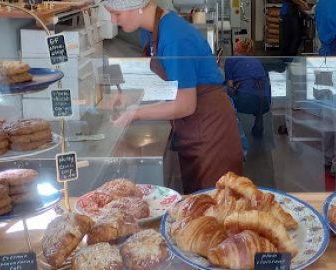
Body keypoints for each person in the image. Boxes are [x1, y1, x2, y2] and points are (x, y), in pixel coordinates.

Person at [104, 0, 243, 193]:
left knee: (216, 207)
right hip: (195, 128)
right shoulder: (152, 29)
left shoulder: (173, 37)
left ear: (137, 7)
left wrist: (136, 113)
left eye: (116, 13)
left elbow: (186, 104)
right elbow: (173, 80)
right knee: (197, 205)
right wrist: (130, 96)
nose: (112, 19)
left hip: (211, 130)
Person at [224, 39, 272, 137]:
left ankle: (233, 125)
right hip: (266, 101)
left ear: (238, 48)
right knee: (255, 89)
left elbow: (230, 85)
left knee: (221, 90)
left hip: (245, 100)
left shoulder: (231, 59)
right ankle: (259, 119)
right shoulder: (257, 61)